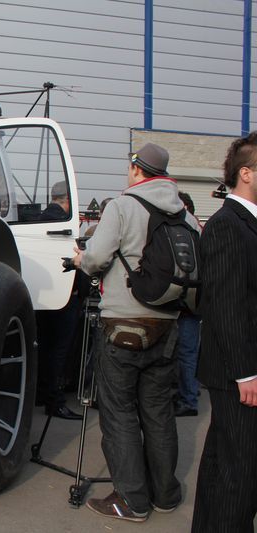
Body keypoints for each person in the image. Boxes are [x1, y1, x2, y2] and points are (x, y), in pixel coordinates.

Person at [73, 143, 200, 522]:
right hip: (169, 325)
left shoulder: (123, 206)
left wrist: (82, 260)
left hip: (123, 324)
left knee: (119, 413)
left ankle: (130, 500)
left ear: (135, 170)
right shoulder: (186, 216)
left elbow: (96, 258)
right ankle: (165, 494)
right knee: (159, 412)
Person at [191, 132, 257, 532]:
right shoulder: (227, 225)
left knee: (225, 462)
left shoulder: (244, 223)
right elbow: (227, 305)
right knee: (241, 471)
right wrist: (246, 372)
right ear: (246, 173)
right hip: (239, 372)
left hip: (241, 369)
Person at [36, 181, 82, 420]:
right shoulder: (65, 226)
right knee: (60, 352)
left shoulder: (37, 221)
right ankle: (55, 401)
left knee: (43, 348)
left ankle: (41, 394)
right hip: (64, 299)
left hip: (41, 300)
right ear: (67, 200)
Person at [173, 191, 201, 417]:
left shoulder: (184, 224)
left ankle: (188, 399)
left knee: (185, 352)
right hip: (193, 300)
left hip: (184, 300)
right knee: (187, 352)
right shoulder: (196, 227)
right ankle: (188, 395)